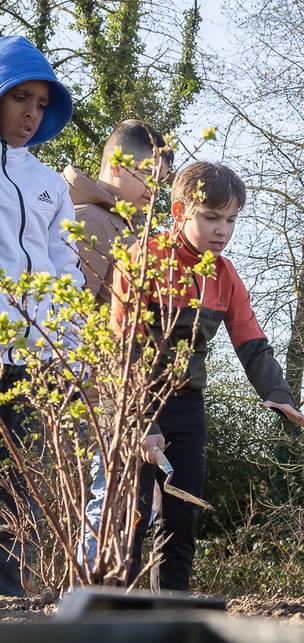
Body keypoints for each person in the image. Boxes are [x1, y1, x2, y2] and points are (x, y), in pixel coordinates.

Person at [107, 161, 304, 590]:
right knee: (132, 516)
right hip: (136, 399)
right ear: (180, 211)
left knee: (182, 517)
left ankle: (172, 617)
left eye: (231, 219)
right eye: (211, 217)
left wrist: (279, 394)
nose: (223, 229)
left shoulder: (224, 275)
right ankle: (110, 616)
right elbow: (123, 348)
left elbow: (251, 341)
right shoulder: (144, 260)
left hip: (188, 405)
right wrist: (143, 422)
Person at [0, 36, 83, 595]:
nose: (31, 114)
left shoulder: (50, 183)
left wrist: (67, 343)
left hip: (36, 361)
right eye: (19, 99)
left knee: (20, 484)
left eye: (40, 105)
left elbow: (66, 268)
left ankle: (10, 599)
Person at [63, 119, 172, 307]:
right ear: (116, 166)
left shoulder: (120, 224)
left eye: (160, 181)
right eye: (147, 173)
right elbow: (74, 313)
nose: (155, 188)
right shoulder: (90, 220)